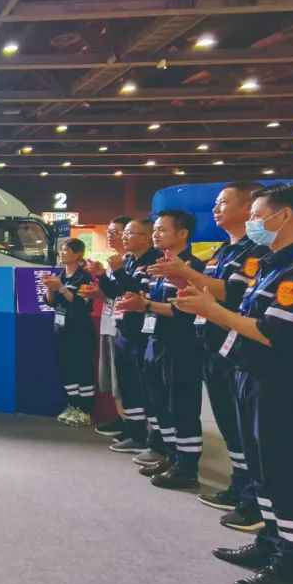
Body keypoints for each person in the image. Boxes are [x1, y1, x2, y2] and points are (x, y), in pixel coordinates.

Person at [176, 183, 293, 584]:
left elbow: (275, 332)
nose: (253, 222)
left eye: (257, 215)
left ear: (284, 215)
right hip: (253, 375)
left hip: (285, 385)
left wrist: (213, 311)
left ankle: (292, 566)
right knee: (264, 467)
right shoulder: (273, 265)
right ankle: (271, 542)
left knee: (288, 472)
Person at [148, 183, 266, 529]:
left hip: (237, 346)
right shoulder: (221, 252)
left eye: (223, 202)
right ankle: (241, 486)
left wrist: (186, 273)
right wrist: (185, 284)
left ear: (248, 208)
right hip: (212, 343)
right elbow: (207, 291)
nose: (215, 209)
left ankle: (253, 499)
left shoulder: (255, 252)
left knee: (245, 428)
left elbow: (232, 293)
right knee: (230, 424)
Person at [116, 210, 205, 490]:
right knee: (161, 403)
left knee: (182, 406)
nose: (156, 234)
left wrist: (145, 305)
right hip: (155, 341)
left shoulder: (191, 267)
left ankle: (187, 468)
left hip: (181, 346)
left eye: (162, 230)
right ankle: (171, 456)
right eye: (154, 229)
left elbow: (184, 310)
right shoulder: (158, 266)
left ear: (183, 234)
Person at [91, 218, 161, 456]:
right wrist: (102, 275)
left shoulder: (153, 261)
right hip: (124, 329)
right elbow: (116, 292)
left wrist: (119, 271)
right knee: (128, 384)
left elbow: (138, 291)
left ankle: (153, 440)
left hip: (142, 332)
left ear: (146, 237)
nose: (124, 237)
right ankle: (135, 433)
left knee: (145, 387)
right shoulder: (129, 260)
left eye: (129, 233)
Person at [82, 216, 130, 438]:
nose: (111, 235)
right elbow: (112, 293)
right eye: (109, 232)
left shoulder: (130, 263)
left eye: (115, 232)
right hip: (109, 322)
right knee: (113, 379)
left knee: (124, 381)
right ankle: (123, 419)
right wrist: (98, 292)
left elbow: (127, 292)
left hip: (124, 327)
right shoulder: (114, 262)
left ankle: (133, 426)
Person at [43, 239, 95, 427]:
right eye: (61, 250)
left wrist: (61, 288)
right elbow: (51, 302)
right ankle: (73, 405)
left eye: (66, 250)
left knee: (82, 370)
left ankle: (85, 410)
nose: (62, 253)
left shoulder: (85, 277)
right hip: (61, 329)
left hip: (79, 330)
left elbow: (82, 303)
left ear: (78, 254)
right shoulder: (60, 275)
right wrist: (50, 288)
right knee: (67, 369)